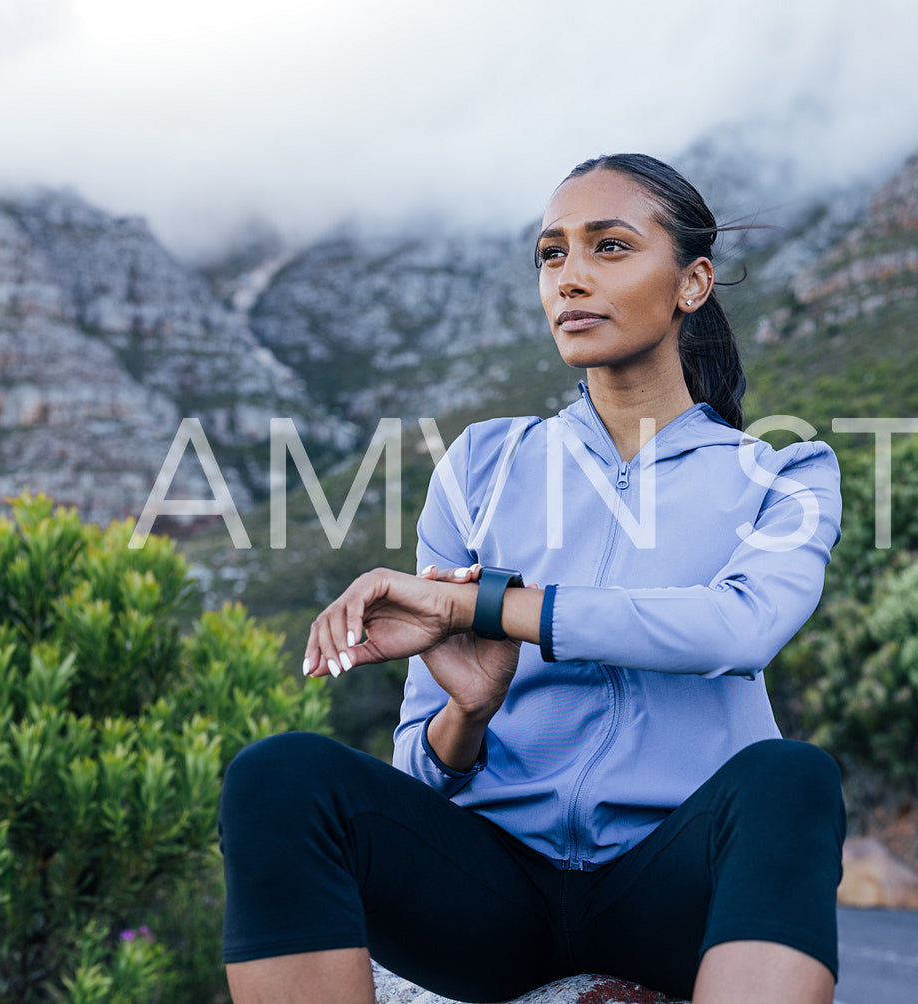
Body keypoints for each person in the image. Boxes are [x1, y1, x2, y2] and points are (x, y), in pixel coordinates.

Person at [217, 153, 846, 1004]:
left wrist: (490, 607)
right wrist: (466, 714)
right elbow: (420, 768)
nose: (571, 278)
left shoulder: (784, 477)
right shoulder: (482, 464)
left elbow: (739, 629)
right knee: (278, 774)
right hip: (493, 901)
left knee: (791, 777)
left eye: (610, 247)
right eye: (552, 255)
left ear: (692, 282)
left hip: (667, 891)